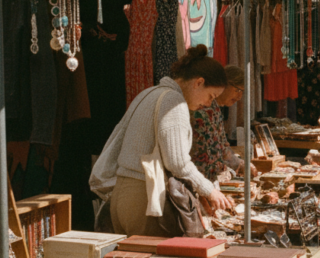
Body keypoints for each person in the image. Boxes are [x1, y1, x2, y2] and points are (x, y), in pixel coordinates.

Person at [94, 46, 235, 236]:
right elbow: (177, 163)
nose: (209, 104)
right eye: (211, 96)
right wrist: (209, 190)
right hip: (144, 198)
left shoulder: (148, 93)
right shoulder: (174, 102)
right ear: (198, 82)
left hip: (121, 195)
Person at [190, 66, 255, 187]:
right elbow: (215, 147)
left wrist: (239, 164)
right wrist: (239, 164)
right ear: (224, 84)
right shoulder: (205, 107)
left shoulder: (215, 107)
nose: (240, 97)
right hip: (200, 180)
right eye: (237, 90)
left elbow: (220, 145)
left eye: (242, 92)